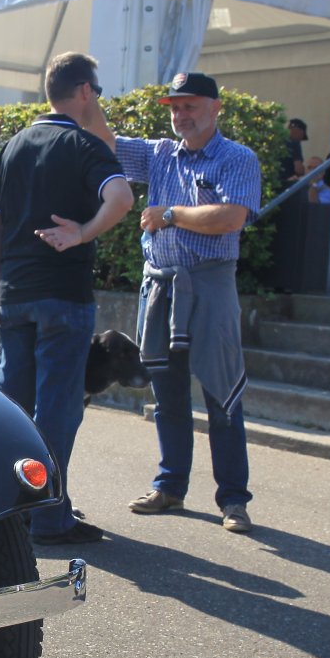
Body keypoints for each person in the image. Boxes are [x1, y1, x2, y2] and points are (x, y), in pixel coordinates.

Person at [0, 51, 134, 545]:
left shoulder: (14, 146)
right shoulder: (85, 146)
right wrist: (82, 232)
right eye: (97, 91)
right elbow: (122, 198)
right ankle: (49, 516)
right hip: (64, 296)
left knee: (14, 410)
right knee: (58, 410)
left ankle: (11, 511)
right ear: (85, 91)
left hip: (16, 295)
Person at [101, 72, 262, 534]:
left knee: (222, 394)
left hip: (210, 285)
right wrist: (84, 94)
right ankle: (170, 487)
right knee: (167, 395)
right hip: (161, 286)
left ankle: (233, 500)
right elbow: (104, 142)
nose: (180, 115)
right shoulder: (159, 153)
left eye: (190, 106)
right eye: (174, 107)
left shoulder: (237, 158)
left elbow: (231, 217)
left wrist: (169, 215)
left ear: (215, 108)